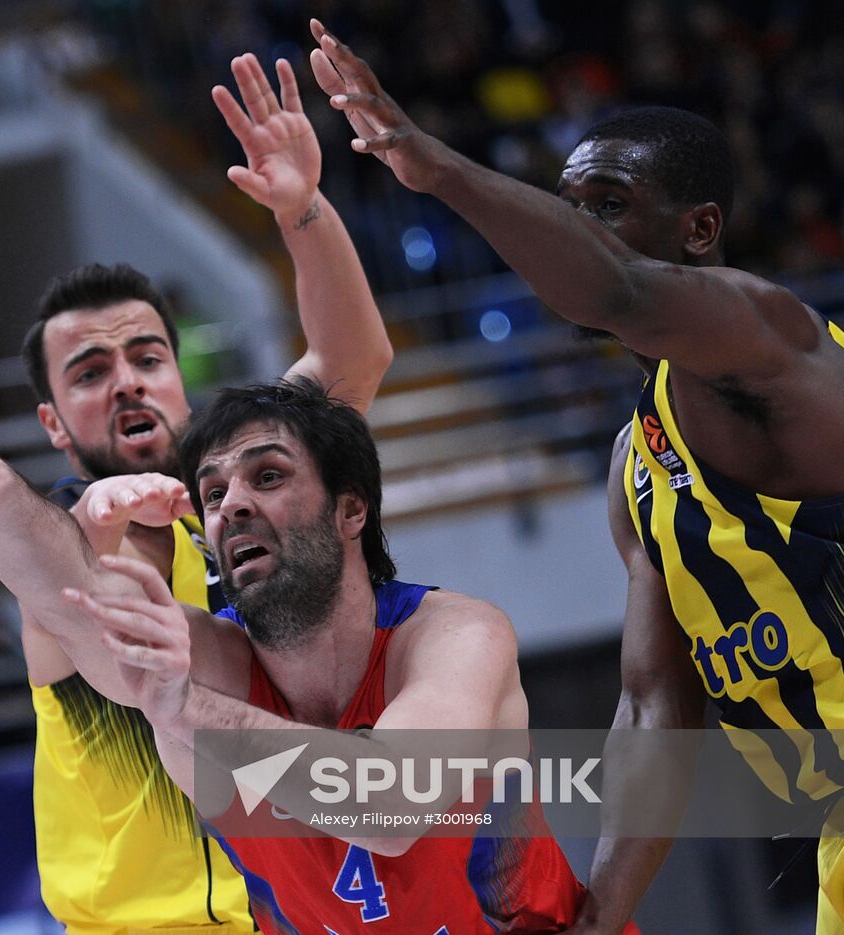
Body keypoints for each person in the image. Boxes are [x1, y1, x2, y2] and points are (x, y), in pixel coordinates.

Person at [304, 17, 844, 934]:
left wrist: (434, 168)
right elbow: (653, 704)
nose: (574, 229)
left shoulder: (776, 336)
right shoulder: (638, 466)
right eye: (567, 206)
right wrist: (602, 911)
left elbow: (617, 289)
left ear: (698, 230)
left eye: (605, 205)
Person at [0, 53, 393, 934]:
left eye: (146, 357)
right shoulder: (54, 536)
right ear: (55, 424)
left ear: (181, 380)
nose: (127, 381)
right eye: (91, 372)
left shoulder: (250, 491)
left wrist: (303, 210)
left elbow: (354, 361)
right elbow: (39, 559)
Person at [0, 378, 617, 934]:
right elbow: (74, 604)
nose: (233, 504)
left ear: (348, 509)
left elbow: (391, 809)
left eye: (266, 475)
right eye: (214, 490)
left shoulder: (452, 635)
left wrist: (184, 706)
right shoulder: (209, 656)